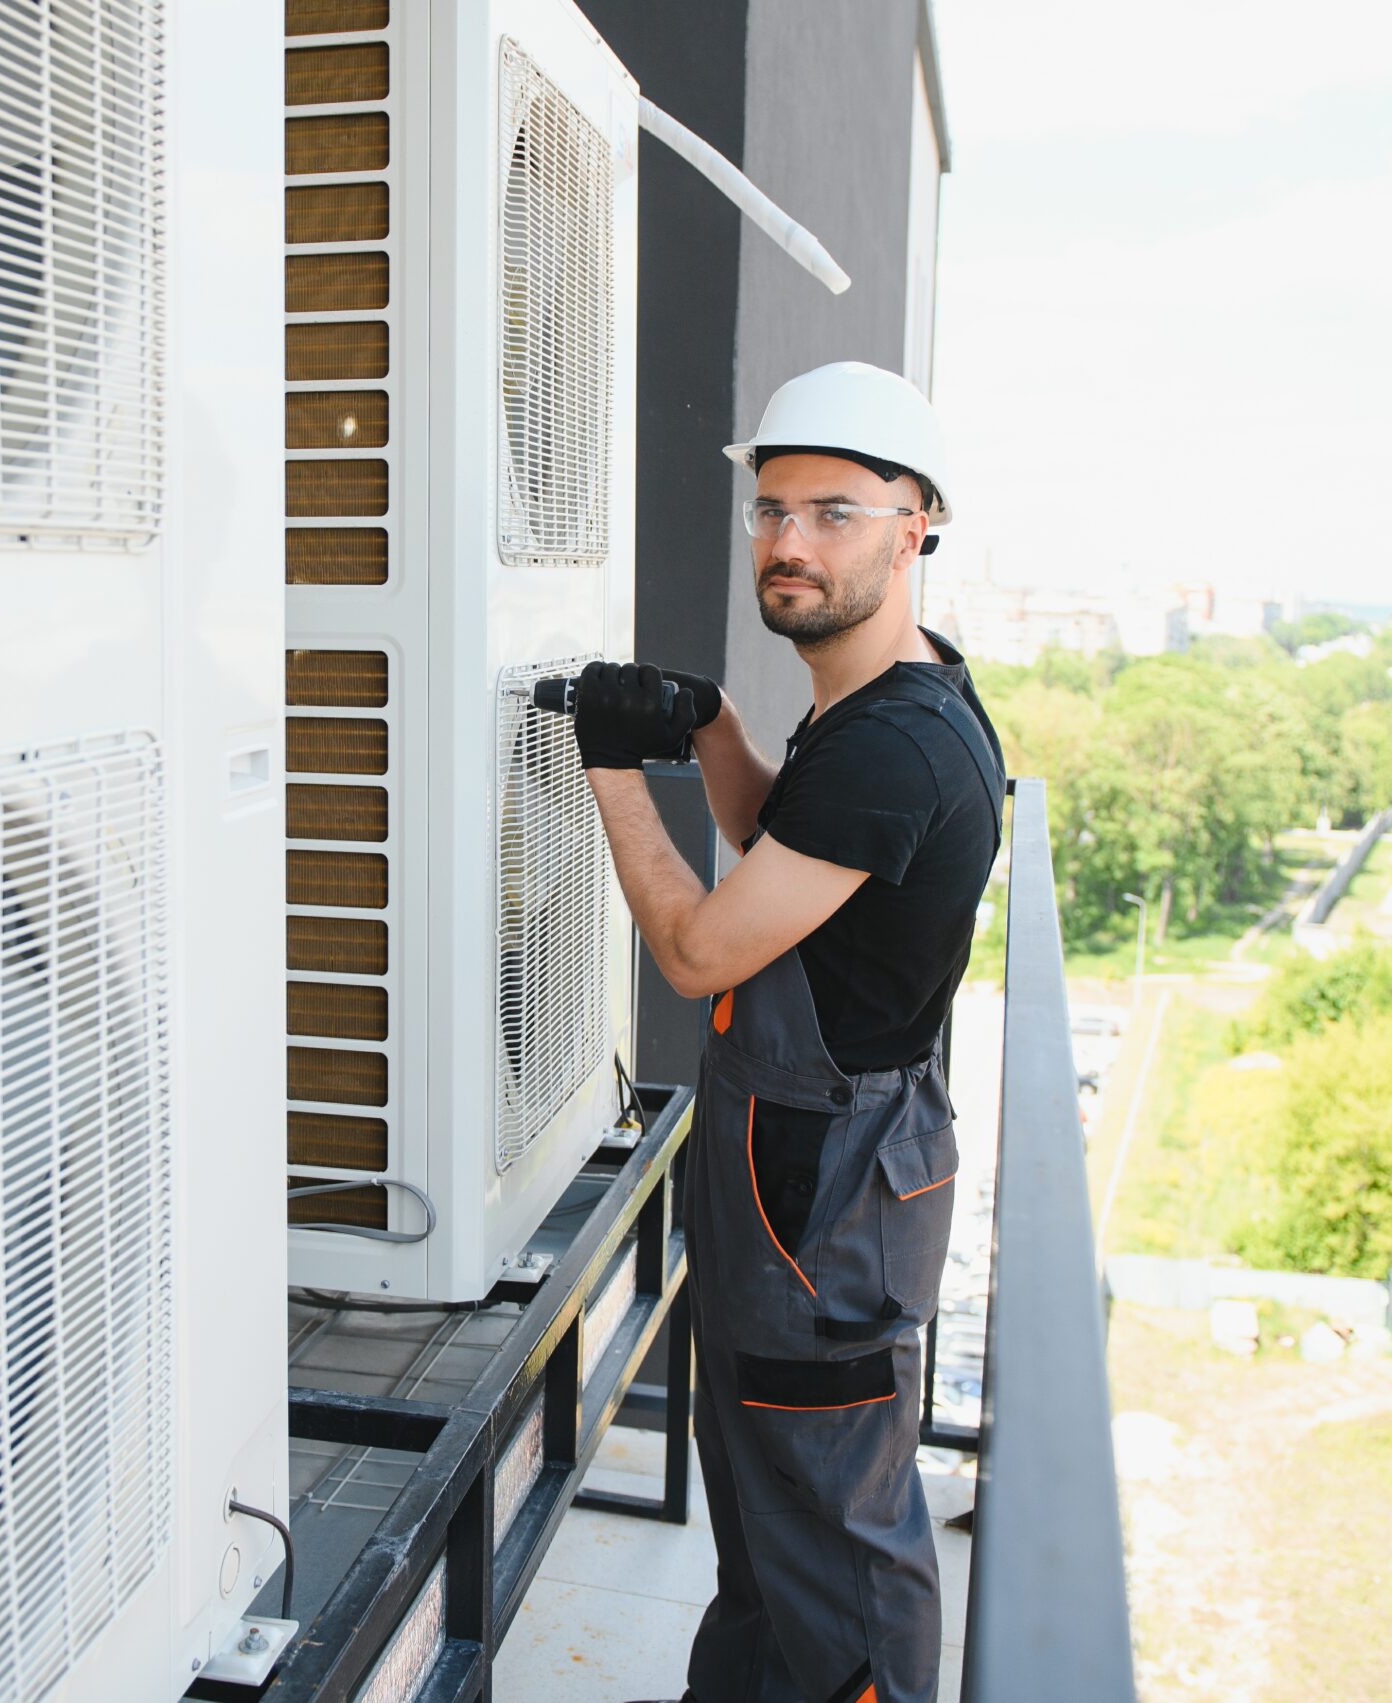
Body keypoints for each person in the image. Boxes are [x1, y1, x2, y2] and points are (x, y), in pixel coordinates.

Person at [573, 361, 1002, 1703]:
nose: (790, 544)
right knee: (762, 1488)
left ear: (915, 524)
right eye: (770, 512)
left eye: (832, 512)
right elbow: (786, 847)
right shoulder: (880, 698)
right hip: (805, 1163)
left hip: (826, 1193)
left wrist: (608, 769)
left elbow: (704, 942)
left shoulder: (896, 747)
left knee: (828, 1517)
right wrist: (713, 727)